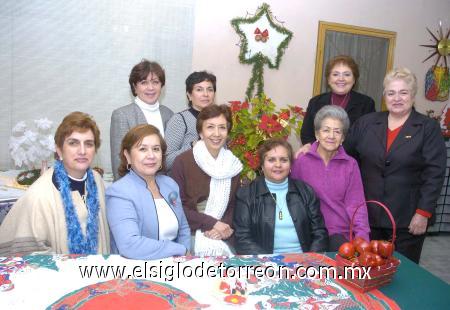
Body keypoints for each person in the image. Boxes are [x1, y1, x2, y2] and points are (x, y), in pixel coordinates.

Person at [345, 68, 446, 263]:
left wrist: (423, 213)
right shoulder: (366, 123)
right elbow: (344, 156)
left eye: (403, 92)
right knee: (367, 269)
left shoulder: (427, 128)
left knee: (403, 274)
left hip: (407, 221)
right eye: (391, 93)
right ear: (384, 96)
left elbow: (435, 173)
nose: (397, 98)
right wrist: (312, 149)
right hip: (368, 217)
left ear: (413, 95)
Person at [0, 112, 110, 256]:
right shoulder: (40, 196)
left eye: (88, 144)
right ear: (59, 150)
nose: (82, 151)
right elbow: (32, 258)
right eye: (73, 143)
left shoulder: (96, 180)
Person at [106, 124, 190, 260]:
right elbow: (129, 245)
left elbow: (184, 228)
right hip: (137, 271)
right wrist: (180, 250)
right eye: (143, 149)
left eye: (156, 149)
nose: (151, 155)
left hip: (176, 266)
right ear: (127, 156)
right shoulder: (119, 192)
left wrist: (183, 260)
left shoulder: (170, 184)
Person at [292, 105, 370, 251]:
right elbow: (292, 199)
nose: (331, 136)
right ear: (317, 134)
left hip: (339, 233)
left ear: (343, 138)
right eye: (326, 130)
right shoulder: (301, 161)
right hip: (309, 232)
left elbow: (357, 204)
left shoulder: (350, 165)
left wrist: (362, 237)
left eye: (337, 131)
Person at [233, 138, 328, 255]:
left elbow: (319, 232)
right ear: (262, 165)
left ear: (290, 165)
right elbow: (242, 238)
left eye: (283, 160)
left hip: (304, 262)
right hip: (264, 264)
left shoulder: (306, 191)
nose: (278, 165)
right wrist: (268, 262)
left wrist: (310, 259)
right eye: (271, 160)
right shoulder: (246, 195)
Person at [170, 104, 242, 256]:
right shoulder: (183, 161)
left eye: (222, 127)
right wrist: (212, 224)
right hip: (190, 231)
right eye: (210, 127)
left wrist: (222, 228)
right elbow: (178, 207)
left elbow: (233, 206)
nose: (216, 134)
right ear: (201, 133)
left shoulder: (232, 165)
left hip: (223, 232)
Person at [110, 59, 174, 179]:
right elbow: (118, 162)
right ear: (134, 87)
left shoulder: (169, 114)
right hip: (133, 189)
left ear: (162, 86)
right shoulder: (122, 115)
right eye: (144, 82)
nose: (151, 88)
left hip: (163, 186)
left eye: (155, 82)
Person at [299, 55, 375, 152]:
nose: (341, 79)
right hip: (320, 159)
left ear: (354, 79)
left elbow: (368, 139)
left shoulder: (367, 103)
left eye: (347, 74)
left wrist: (340, 154)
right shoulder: (315, 102)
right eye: (335, 74)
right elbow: (307, 134)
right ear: (328, 79)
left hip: (351, 161)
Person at [165, 71, 216, 170]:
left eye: (210, 89)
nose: (206, 94)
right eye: (199, 89)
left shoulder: (218, 120)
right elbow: (166, 162)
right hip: (184, 181)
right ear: (189, 95)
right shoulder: (179, 120)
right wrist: (192, 145)